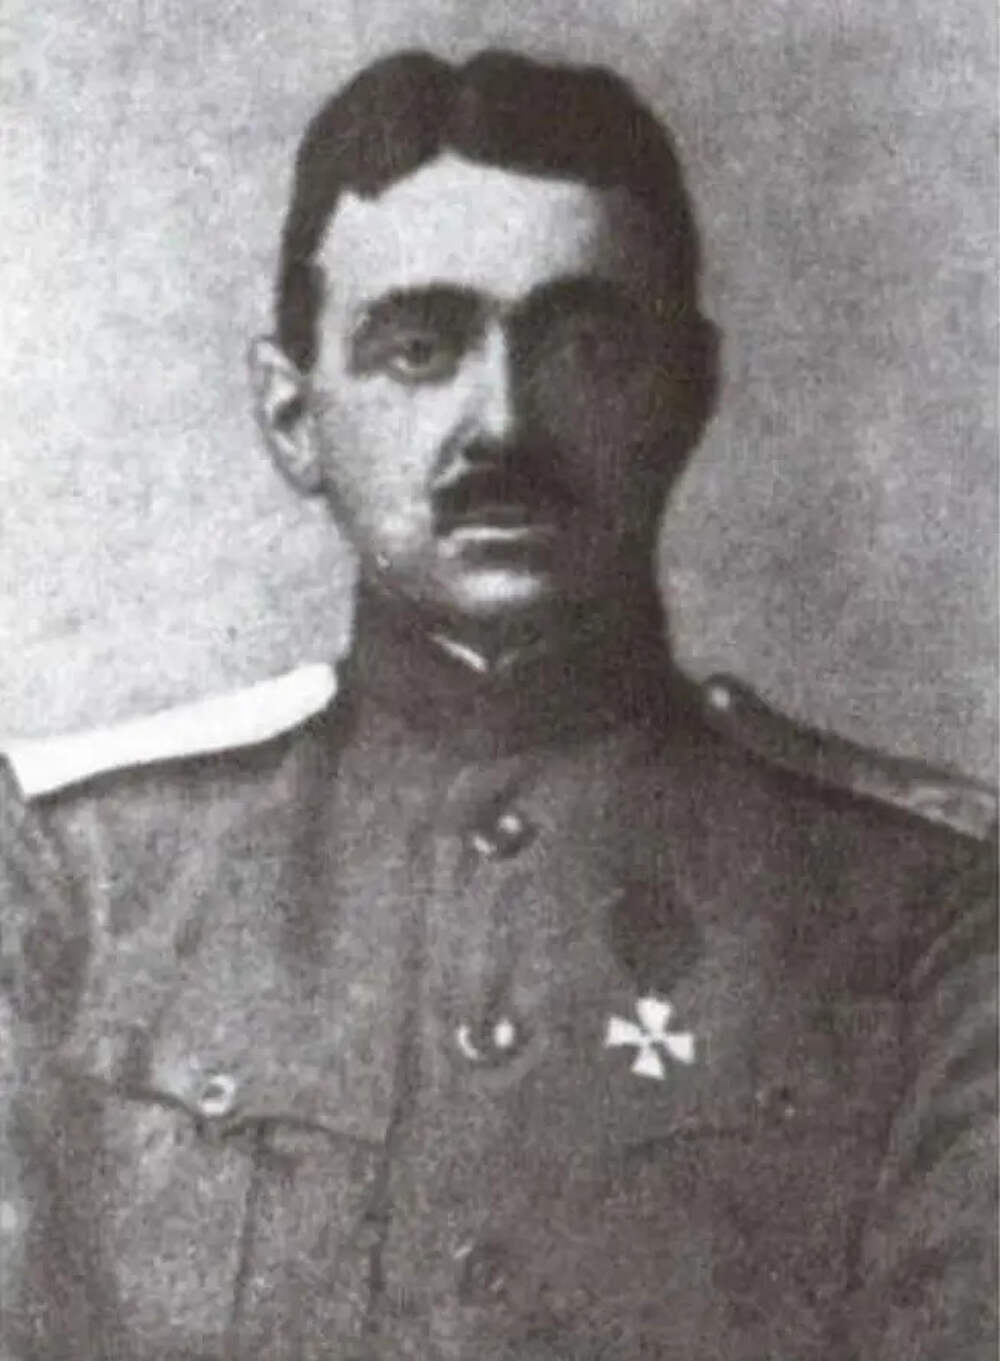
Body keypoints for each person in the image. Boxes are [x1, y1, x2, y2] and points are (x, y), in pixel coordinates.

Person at [0, 49, 995, 1361]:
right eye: (420, 348)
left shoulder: (929, 904)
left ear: (687, 395)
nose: (505, 426)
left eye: (586, 347)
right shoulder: (80, 872)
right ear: (293, 416)